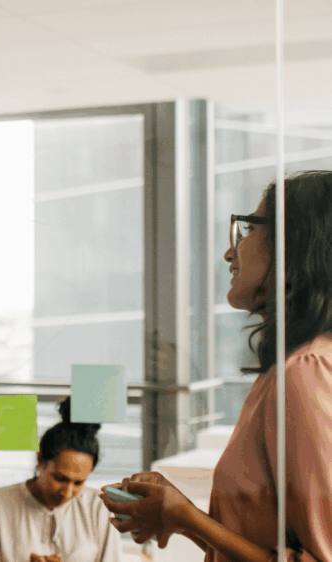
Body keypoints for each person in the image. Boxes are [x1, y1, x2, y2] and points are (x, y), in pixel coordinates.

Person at [102, 171, 332, 562]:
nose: (231, 252)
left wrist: (189, 518)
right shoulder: (286, 369)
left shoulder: (304, 371)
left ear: (293, 244)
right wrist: (175, 516)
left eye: (247, 230)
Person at [0, 397, 123, 562]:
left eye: (78, 482)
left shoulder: (98, 507)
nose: (67, 492)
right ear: (40, 460)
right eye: (60, 478)